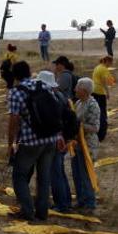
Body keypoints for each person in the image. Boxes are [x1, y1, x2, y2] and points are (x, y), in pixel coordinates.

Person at [7, 61, 62, 221]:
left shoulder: (16, 92)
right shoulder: (42, 85)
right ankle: (42, 212)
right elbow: (55, 108)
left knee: (19, 175)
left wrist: (10, 144)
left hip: (31, 141)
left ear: (15, 76)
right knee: (44, 177)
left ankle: (27, 211)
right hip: (50, 138)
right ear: (29, 71)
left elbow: (14, 120)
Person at [36, 70, 72, 213]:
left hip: (57, 138)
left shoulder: (52, 98)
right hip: (62, 137)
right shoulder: (60, 96)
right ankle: (66, 201)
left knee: (55, 172)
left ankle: (61, 204)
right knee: (60, 171)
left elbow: (54, 120)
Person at [72, 78, 100, 212]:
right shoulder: (78, 103)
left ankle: (90, 203)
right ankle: (81, 200)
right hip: (77, 144)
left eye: (77, 87)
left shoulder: (93, 105)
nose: (74, 90)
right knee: (77, 173)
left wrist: (79, 126)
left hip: (88, 145)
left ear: (84, 90)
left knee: (86, 174)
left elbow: (95, 127)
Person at [91, 56, 114, 142]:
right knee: (102, 113)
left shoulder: (98, 67)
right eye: (110, 63)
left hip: (93, 91)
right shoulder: (103, 69)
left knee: (96, 111)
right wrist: (107, 92)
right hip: (100, 92)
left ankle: (97, 130)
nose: (111, 65)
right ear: (107, 61)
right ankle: (102, 132)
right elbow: (104, 82)